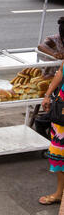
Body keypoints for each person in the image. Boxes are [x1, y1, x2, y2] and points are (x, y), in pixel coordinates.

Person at [40, 61, 64, 205]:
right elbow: (61, 71)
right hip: (61, 112)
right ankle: (59, 193)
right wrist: (48, 95)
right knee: (58, 154)